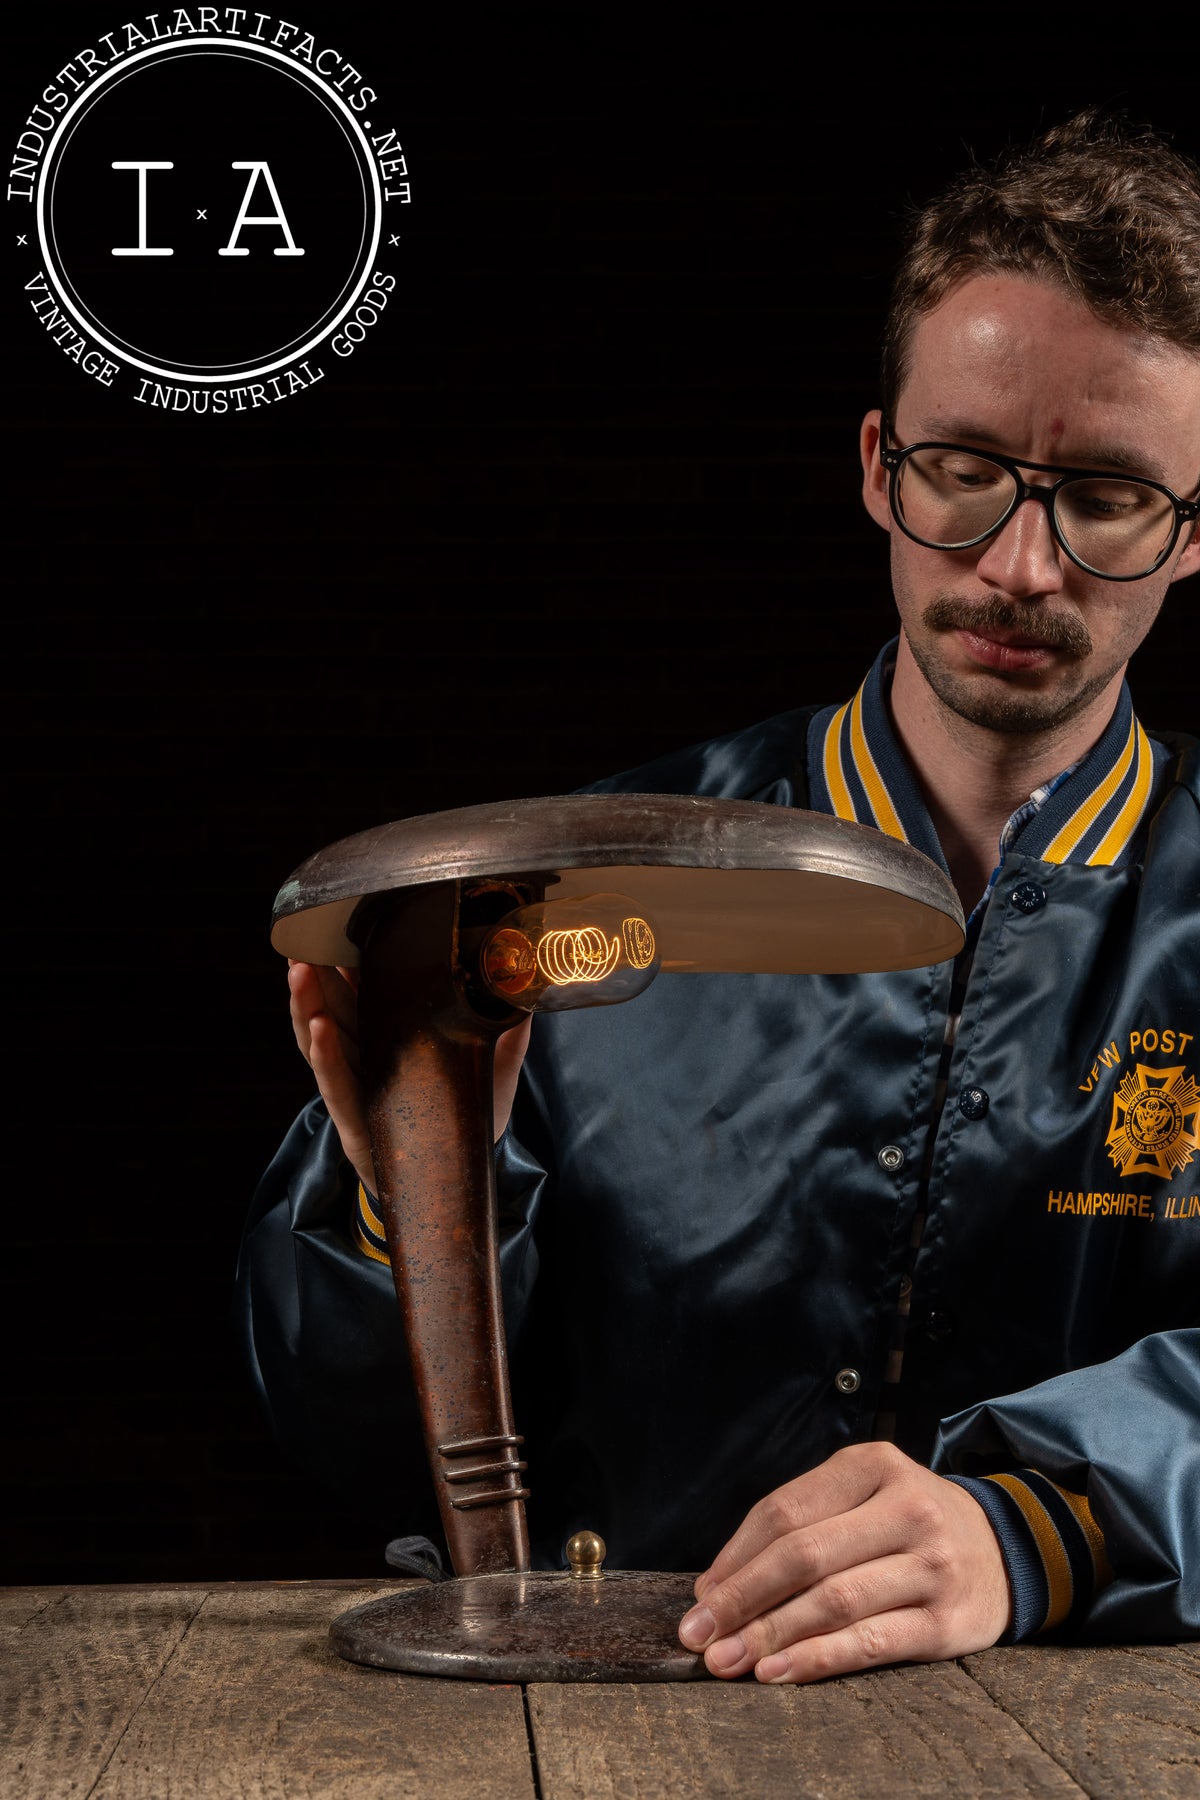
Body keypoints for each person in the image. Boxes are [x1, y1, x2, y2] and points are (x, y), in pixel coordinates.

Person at [239, 110, 1200, 1684]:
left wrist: (1044, 1522)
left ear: (1194, 527)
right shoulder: (569, 888)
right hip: (606, 1735)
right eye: (965, 471)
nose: (1023, 566)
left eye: (1107, 496)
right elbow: (339, 1444)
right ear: (879, 466)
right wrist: (398, 1205)